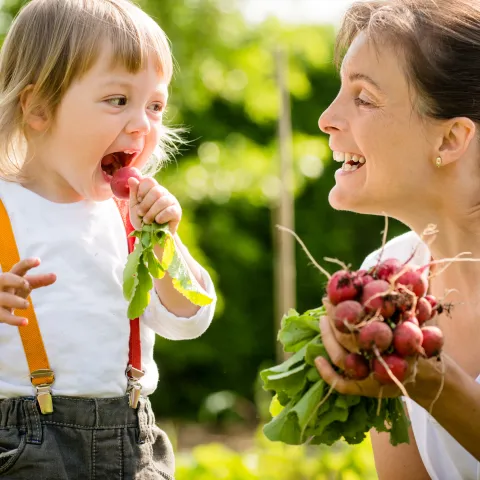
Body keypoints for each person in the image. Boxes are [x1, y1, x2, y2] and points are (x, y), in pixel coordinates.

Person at [0, 0, 217, 478]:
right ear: (39, 109)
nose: (142, 123)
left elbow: (190, 319)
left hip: (133, 442)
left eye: (155, 105)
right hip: (22, 445)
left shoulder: (132, 220)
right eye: (117, 100)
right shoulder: (4, 208)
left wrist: (162, 244)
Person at [316, 0, 480, 479]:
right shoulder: (390, 275)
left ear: (450, 139)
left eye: (363, 98)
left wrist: (433, 385)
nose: (327, 117)